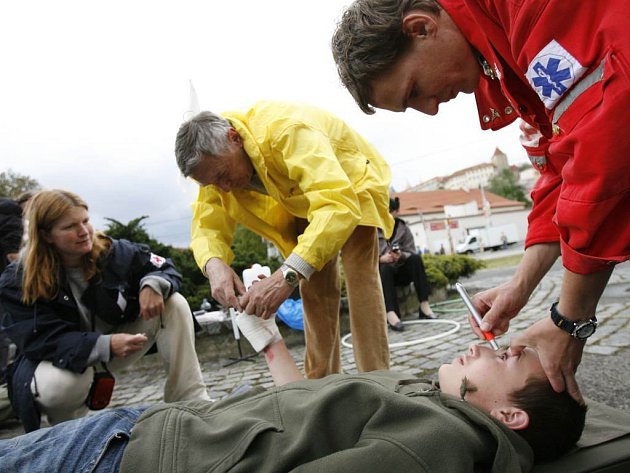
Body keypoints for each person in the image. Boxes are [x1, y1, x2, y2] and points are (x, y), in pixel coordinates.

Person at [331, 0, 630, 402]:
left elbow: (604, 144)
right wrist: (520, 285)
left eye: (414, 91)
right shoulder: (501, 47)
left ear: (421, 27)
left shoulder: (525, 10)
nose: (431, 109)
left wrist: (571, 319)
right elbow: (561, 168)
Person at [0, 312, 587, 473]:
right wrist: (270, 347)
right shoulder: (429, 401)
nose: (487, 345)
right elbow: (309, 419)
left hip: (130, 451)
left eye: (507, 358)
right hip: (151, 435)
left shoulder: (440, 439)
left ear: (509, 415)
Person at [174, 100, 395, 378]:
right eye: (212, 184)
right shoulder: (214, 166)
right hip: (300, 197)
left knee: (359, 275)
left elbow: (338, 204)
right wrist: (213, 263)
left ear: (234, 138)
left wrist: (285, 276)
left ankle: (377, 379)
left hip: (350, 182)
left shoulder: (286, 131)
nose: (224, 188)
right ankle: (321, 383)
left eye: (222, 175)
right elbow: (208, 220)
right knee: (313, 286)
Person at [0, 190, 209, 432]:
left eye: (85, 221)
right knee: (63, 385)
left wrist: (152, 283)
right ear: (46, 235)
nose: (84, 232)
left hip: (116, 345)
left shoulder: (111, 250)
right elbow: (41, 340)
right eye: (70, 226)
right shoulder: (18, 280)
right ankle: (70, 433)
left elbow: (161, 265)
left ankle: (192, 401)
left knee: (174, 302)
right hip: (61, 364)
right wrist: (103, 344)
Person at [379, 196, 435, 331]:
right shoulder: (373, 230)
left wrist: (401, 255)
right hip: (383, 274)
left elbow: (411, 251)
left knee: (416, 259)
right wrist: (381, 259)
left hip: (402, 270)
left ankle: (424, 305)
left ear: (396, 212)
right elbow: (365, 257)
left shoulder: (403, 228)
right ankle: (391, 313)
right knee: (385, 268)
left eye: (391, 211)